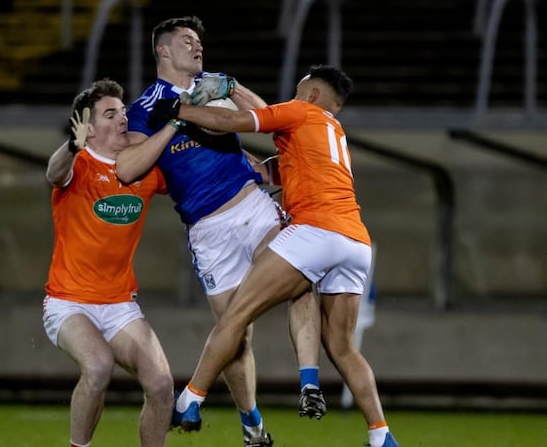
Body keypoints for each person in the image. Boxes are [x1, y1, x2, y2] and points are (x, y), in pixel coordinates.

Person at [152, 64, 401, 447]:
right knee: (343, 346)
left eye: (299, 89)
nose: (293, 95)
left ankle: (190, 400)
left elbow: (233, 121)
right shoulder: (333, 133)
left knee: (236, 315)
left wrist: (179, 112)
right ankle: (380, 434)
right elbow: (279, 172)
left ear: (313, 94)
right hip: (355, 243)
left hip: (315, 232)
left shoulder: (301, 111)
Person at [116, 16, 325, 446]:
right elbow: (128, 168)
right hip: (207, 230)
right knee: (236, 333)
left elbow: (271, 119)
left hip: (252, 208)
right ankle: (253, 427)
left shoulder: (213, 86)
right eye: (188, 41)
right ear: (163, 51)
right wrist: (175, 122)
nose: (198, 47)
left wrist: (231, 88)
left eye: (199, 42)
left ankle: (309, 383)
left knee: (301, 275)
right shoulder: (143, 108)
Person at [42, 78, 180, 447]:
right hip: (69, 304)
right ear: (88, 130)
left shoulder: (144, 169)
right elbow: (54, 173)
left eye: (122, 111)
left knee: (163, 385)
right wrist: (70, 147)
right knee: (99, 365)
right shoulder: (79, 164)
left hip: (119, 305)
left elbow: (193, 178)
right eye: (110, 114)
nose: (122, 119)